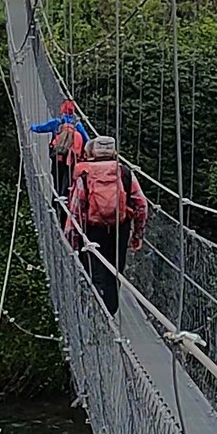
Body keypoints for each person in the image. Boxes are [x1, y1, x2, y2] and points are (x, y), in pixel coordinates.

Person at [63, 135, 148, 315]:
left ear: (92, 151)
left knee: (96, 272)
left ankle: (95, 314)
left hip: (93, 230)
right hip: (120, 228)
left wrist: (72, 242)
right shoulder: (124, 172)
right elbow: (141, 204)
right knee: (114, 272)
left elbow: (76, 209)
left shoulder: (84, 173)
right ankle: (111, 314)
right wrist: (137, 234)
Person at [29, 99, 88, 199]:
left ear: (62, 110)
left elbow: (41, 128)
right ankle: (66, 195)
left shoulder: (57, 122)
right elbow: (86, 139)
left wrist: (32, 127)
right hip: (71, 157)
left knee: (56, 174)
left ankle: (57, 195)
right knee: (68, 175)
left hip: (58, 154)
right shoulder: (77, 125)